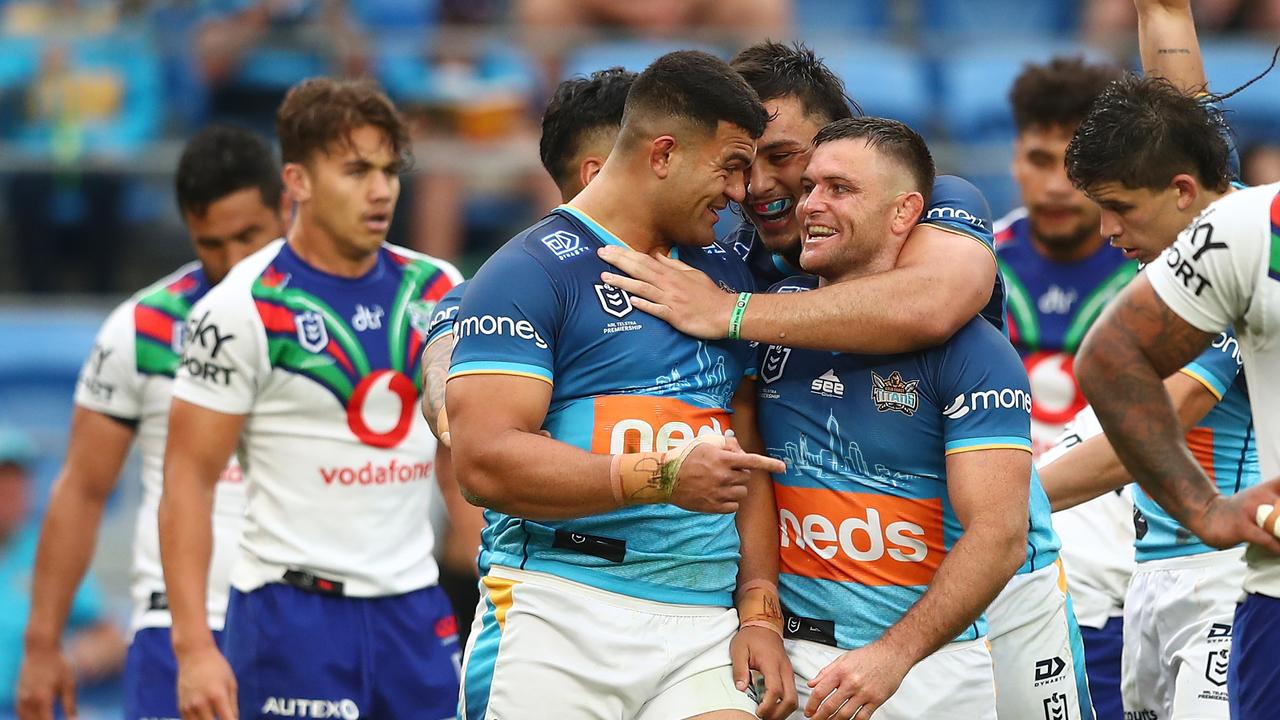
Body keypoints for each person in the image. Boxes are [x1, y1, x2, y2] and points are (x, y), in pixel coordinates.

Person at [600, 40, 1092, 720]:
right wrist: (451, 335)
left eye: (784, 158)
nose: (764, 187)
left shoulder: (931, 202)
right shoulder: (732, 246)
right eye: (743, 163)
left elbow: (932, 305)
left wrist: (731, 312)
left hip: (998, 589)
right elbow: (567, 264)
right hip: (830, 620)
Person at [447, 50, 795, 720]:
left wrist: (758, 611)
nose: (740, 192)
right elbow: (484, 461)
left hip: (700, 624)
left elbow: (745, 455)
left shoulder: (728, 279)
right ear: (662, 154)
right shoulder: (527, 272)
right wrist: (660, 476)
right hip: (560, 608)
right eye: (729, 166)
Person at [160, 78, 464, 720]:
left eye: (388, 170)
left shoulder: (440, 289)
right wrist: (193, 649)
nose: (380, 190)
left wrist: (489, 587)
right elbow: (187, 479)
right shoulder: (240, 309)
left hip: (416, 608)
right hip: (290, 617)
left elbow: (459, 453)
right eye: (355, 170)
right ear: (296, 181)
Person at [752, 116, 1030, 720]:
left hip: (922, 671)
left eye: (840, 189)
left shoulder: (972, 348)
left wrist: (892, 657)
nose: (811, 205)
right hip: (783, 664)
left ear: (904, 212)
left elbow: (1001, 536)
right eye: (809, 188)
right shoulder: (768, 318)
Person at [16, 125, 285, 720]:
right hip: (174, 629)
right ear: (188, 230)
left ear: (286, 209)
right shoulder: (142, 327)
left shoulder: (341, 319)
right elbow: (82, 491)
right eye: (213, 243)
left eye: (250, 236)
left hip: (303, 619)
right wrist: (41, 644)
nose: (235, 261)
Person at [1068, 3, 1280, 719]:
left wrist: (1004, 495)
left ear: (1182, 194)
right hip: (1154, 568)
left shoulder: (1242, 264)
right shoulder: (1186, 241)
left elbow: (1150, 425)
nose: (1106, 231)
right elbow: (1180, 114)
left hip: (1226, 570)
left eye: (1119, 207)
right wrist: (1162, 8)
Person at [420, 66, 638, 647]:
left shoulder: (711, 276)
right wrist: (471, 430)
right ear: (600, 171)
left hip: (691, 607)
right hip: (542, 598)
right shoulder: (505, 288)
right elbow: (447, 392)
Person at [995, 55, 1132, 719]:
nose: (1056, 184)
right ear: (1014, 156)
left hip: (1121, 580)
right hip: (996, 573)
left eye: (1075, 163)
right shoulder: (968, 267)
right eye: (1039, 159)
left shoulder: (1160, 271)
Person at [2, 428, 125, 719]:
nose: (10, 491)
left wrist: (82, 654)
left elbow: (109, 635)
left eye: (17, 480)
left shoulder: (45, 551)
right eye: (1, 480)